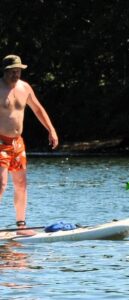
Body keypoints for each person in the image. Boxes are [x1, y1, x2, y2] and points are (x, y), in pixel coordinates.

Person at [0, 54, 59, 236]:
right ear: (5, 71)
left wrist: (51, 129)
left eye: (18, 71)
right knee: (1, 183)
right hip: (0, 142)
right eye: (12, 72)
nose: (16, 75)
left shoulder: (24, 88)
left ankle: (21, 225)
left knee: (21, 183)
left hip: (17, 143)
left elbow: (38, 109)